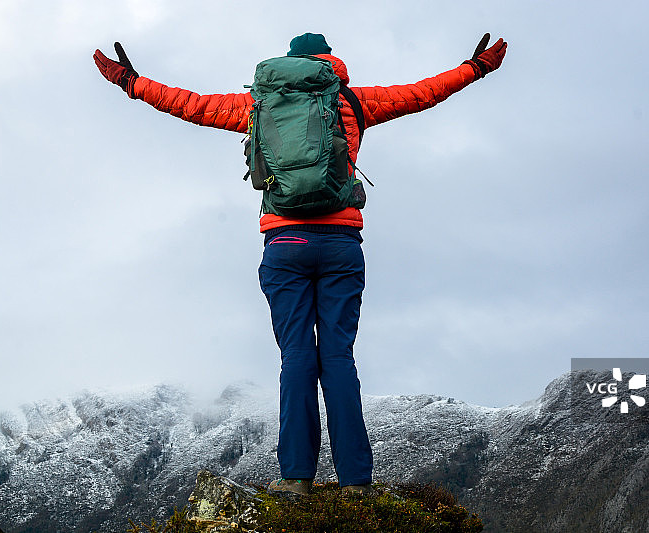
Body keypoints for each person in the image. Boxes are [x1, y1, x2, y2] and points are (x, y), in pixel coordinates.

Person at [93, 32, 507, 499]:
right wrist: (474, 69)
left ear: (287, 64)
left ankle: (295, 478)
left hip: (285, 243)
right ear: (330, 62)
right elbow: (421, 93)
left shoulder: (258, 105)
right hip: (341, 245)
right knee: (338, 358)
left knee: (296, 357)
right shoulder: (351, 101)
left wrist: (131, 82)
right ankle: (355, 482)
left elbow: (189, 105)